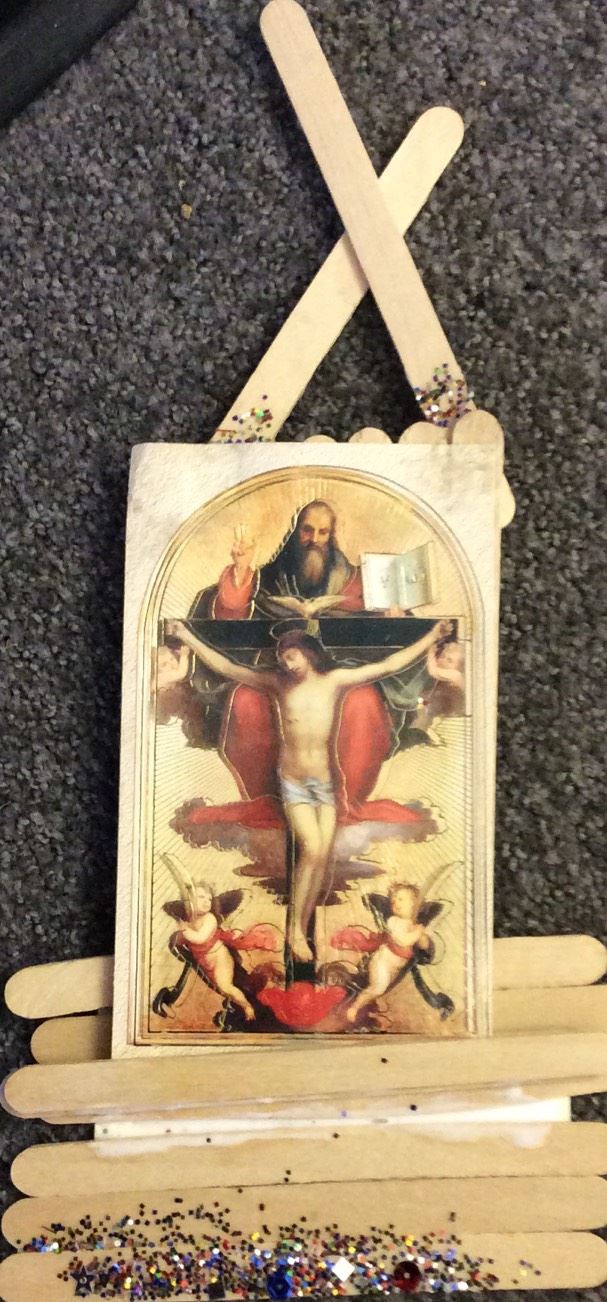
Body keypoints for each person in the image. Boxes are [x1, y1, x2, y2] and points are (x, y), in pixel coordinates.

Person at [165, 618, 450, 964]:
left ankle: (299, 927)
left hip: (325, 784)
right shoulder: (277, 684)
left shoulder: (333, 681)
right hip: (295, 783)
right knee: (312, 849)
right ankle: (295, 931)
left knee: (321, 856)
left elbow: (388, 665)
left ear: (309, 653)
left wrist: (432, 637)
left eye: (292, 656)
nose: (287, 663)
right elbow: (227, 667)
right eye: (282, 658)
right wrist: (187, 636)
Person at [189, 500, 365, 622]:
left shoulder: (354, 581)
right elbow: (227, 619)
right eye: (307, 530)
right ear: (295, 532)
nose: (314, 539)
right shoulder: (268, 578)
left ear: (331, 536)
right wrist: (241, 567)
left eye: (323, 532)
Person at [332, 883, 430, 1024]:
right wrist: (417, 933)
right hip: (382, 962)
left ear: (414, 903)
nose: (395, 902)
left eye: (400, 899)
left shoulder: (413, 925)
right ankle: (354, 1007)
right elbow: (402, 941)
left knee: (383, 990)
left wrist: (422, 937)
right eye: (393, 901)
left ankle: (364, 1008)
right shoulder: (394, 921)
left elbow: (424, 946)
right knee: (378, 989)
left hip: (395, 967)